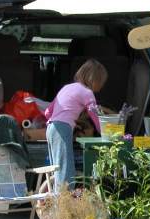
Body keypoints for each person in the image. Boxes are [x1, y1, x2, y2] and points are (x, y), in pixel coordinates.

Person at [45, 59, 107, 191]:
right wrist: (104, 132)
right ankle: (63, 207)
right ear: (95, 80)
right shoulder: (87, 93)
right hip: (62, 129)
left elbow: (47, 111)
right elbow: (94, 114)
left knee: (56, 169)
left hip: (50, 127)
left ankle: (54, 202)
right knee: (65, 172)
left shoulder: (67, 88)